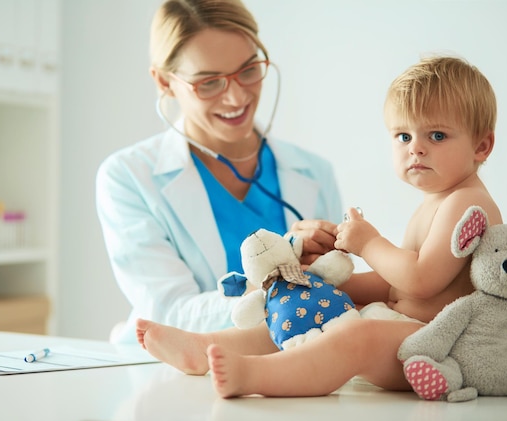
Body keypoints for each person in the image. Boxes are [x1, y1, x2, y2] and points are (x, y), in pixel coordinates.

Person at [135, 55, 503, 398]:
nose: (416, 149)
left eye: (436, 136)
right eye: (404, 136)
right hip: (408, 326)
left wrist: (369, 243)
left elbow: (421, 281)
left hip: (442, 348)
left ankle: (255, 375)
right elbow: (396, 285)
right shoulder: (438, 199)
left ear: (481, 146)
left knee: (359, 335)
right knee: (308, 307)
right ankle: (206, 347)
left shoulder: (467, 202)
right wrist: (324, 281)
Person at [96, 0, 343, 344]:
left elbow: (337, 292)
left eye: (248, 70)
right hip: (171, 375)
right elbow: (168, 312)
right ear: (164, 82)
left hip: (293, 369)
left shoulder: (315, 172)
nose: (237, 97)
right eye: (209, 82)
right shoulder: (128, 177)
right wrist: (278, 280)